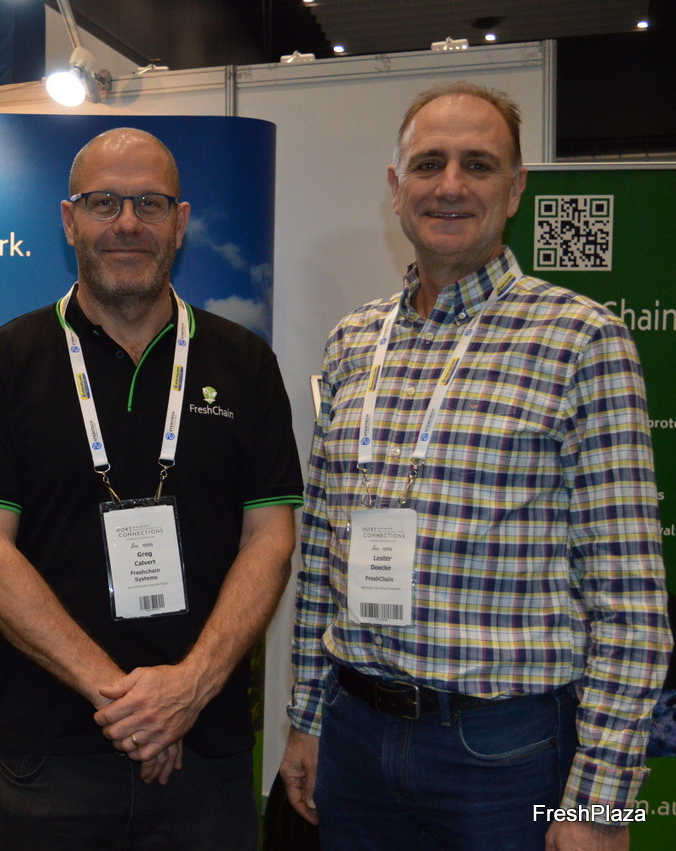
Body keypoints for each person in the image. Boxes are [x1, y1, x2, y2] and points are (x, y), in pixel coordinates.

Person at [279, 81, 672, 850]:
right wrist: (307, 716)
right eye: (429, 163)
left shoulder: (583, 340)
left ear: (516, 188)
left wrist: (601, 806)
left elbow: (629, 597)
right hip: (355, 737)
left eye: (478, 165)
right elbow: (322, 546)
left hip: (508, 752)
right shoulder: (354, 340)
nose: (450, 185)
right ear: (396, 187)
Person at [0, 127, 303, 850]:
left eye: (150, 202)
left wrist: (187, 691)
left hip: (209, 751)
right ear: (69, 219)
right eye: (104, 202)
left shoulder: (245, 362)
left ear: (181, 221)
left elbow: (270, 540)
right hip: (54, 757)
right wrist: (133, 705)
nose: (128, 223)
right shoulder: (3, 363)